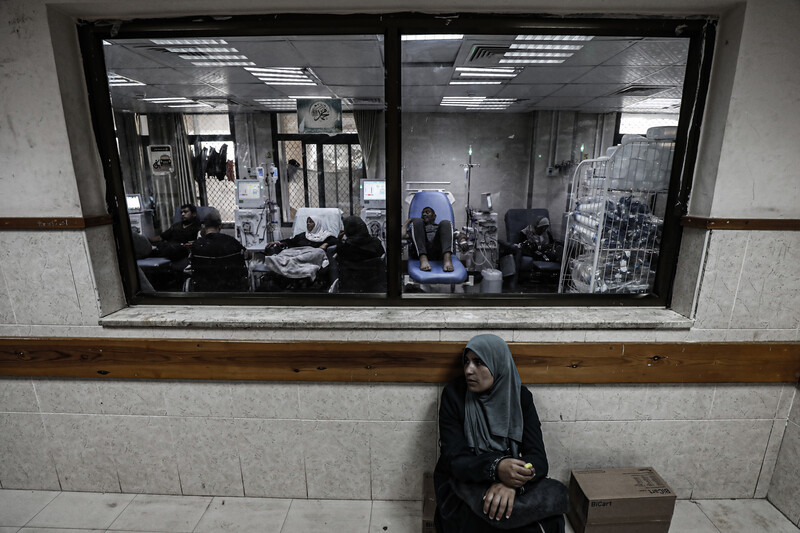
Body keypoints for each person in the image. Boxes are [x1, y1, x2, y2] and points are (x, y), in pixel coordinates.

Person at [434, 334, 565, 533]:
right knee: (491, 518)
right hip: (465, 479)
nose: (469, 370)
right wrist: (496, 468)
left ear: (498, 364)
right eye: (466, 361)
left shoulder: (520, 398)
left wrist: (513, 483)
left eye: (479, 362)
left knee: (552, 514)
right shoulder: (455, 395)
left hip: (510, 477)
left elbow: (537, 459)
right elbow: (455, 460)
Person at [189, 208, 248, 291]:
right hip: (231, 287)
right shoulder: (232, 241)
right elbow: (247, 255)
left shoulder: (197, 244)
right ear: (220, 226)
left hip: (204, 287)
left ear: (204, 226)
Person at [336, 216, 386, 292]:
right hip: (374, 286)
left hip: (352, 288)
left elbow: (339, 258)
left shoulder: (345, 248)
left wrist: (339, 240)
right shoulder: (376, 243)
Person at [403, 206, 455, 272]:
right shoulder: (417, 228)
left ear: (434, 216)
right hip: (421, 251)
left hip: (438, 252)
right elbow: (403, 235)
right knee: (417, 222)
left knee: (445, 223)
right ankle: (423, 259)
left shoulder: (441, 227)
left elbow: (458, 234)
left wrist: (462, 240)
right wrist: (409, 220)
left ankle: (447, 259)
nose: (424, 214)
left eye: (427, 212)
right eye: (423, 213)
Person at [265, 215, 336, 253]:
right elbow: (291, 241)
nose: (308, 224)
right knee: (283, 254)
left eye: (311, 222)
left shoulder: (325, 235)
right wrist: (278, 242)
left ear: (317, 224)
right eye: (307, 222)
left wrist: (325, 244)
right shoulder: (303, 235)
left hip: (312, 256)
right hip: (298, 254)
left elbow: (335, 240)